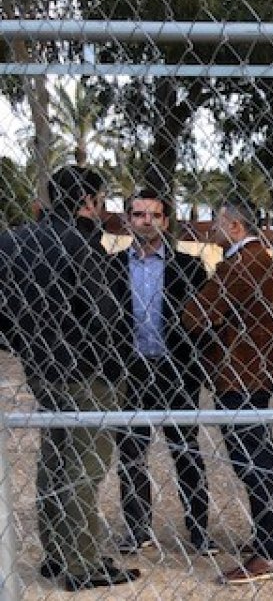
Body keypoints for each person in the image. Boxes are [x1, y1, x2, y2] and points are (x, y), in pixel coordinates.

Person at [0, 166, 141, 591]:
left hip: (43, 368)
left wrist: (27, 344)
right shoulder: (83, 246)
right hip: (89, 372)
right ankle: (82, 564)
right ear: (91, 202)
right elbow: (105, 316)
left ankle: (56, 552)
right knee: (86, 466)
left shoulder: (10, 241)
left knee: (55, 457)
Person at [182, 200, 273, 584]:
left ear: (236, 227)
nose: (212, 228)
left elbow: (199, 312)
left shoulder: (246, 263)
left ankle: (270, 551)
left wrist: (191, 310)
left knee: (252, 458)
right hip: (245, 372)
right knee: (257, 455)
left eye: (219, 222)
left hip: (242, 374)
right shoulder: (251, 260)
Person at [110, 188, 218, 556]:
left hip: (177, 371)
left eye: (154, 215)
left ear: (165, 221)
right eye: (139, 215)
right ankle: (137, 529)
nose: (147, 221)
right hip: (130, 372)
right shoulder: (110, 267)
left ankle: (199, 531)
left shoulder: (188, 266)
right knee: (131, 453)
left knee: (186, 451)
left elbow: (204, 323)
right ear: (128, 220)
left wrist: (199, 366)